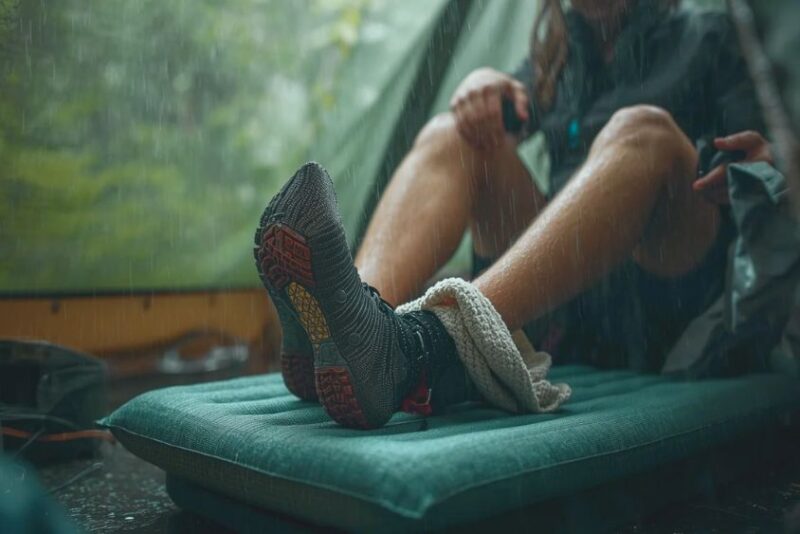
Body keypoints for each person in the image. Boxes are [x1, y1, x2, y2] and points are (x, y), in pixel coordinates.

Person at [255, 0, 772, 429]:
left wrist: (765, 164)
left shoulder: (710, 34)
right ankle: (348, 327)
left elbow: (764, 156)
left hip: (675, 301)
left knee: (644, 130)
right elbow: (505, 109)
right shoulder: (562, 52)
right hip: (573, 308)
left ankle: (414, 348)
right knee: (456, 134)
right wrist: (484, 85)